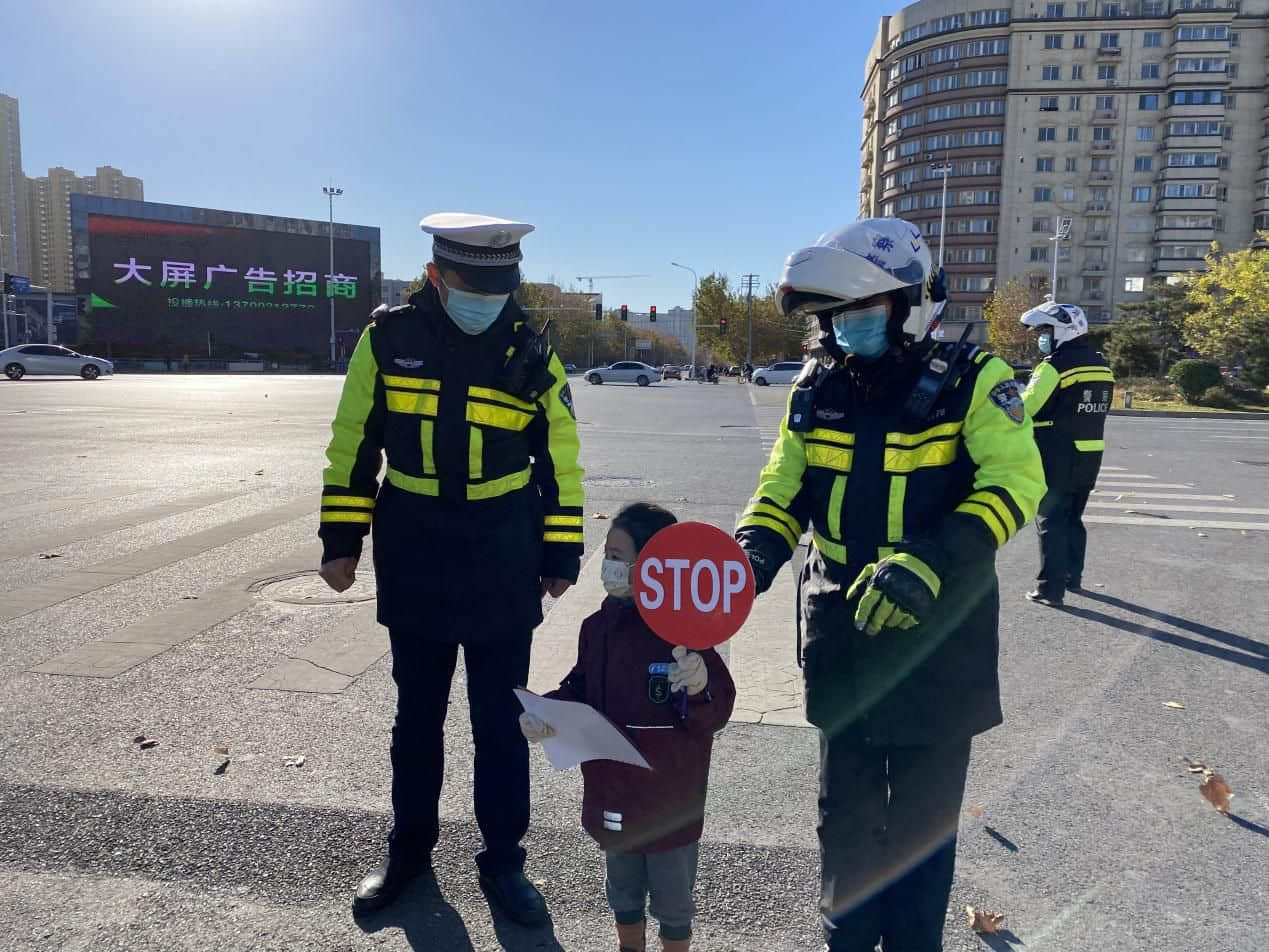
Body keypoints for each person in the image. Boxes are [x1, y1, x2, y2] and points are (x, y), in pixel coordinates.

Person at [734, 218, 1045, 951]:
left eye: (862, 311)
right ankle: (844, 936)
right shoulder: (813, 388)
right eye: (834, 317)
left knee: (920, 821)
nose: (846, 329)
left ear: (910, 304)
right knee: (842, 810)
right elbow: (781, 490)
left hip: (938, 631)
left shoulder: (974, 381)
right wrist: (747, 558)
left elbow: (1015, 481)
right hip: (840, 625)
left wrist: (932, 558)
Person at [318, 212, 585, 924]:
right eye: (473, 285)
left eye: (500, 287)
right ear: (436, 275)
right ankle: (408, 853)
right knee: (417, 717)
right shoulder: (388, 338)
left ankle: (504, 862)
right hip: (415, 542)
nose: (487, 299)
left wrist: (561, 549)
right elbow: (353, 441)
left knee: (501, 722)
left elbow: (559, 456)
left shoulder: (533, 350)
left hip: (502, 546)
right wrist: (339, 539)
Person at [521, 503, 736, 952]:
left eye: (620, 556)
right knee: (622, 889)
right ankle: (628, 945)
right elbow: (579, 687)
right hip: (613, 790)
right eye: (609, 555)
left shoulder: (686, 635)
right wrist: (548, 713)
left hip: (670, 800)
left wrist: (700, 686)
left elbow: (714, 713)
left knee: (674, 902)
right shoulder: (597, 628)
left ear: (654, 566)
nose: (609, 566)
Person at [1019, 301, 1115, 607]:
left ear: (1062, 330)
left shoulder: (1054, 366)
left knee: (1050, 519)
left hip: (1056, 451)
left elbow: (1027, 408)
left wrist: (1009, 397)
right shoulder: (1101, 365)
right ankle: (1073, 576)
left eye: (1043, 331)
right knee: (1073, 517)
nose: (1039, 338)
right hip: (1090, 451)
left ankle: (1050, 588)